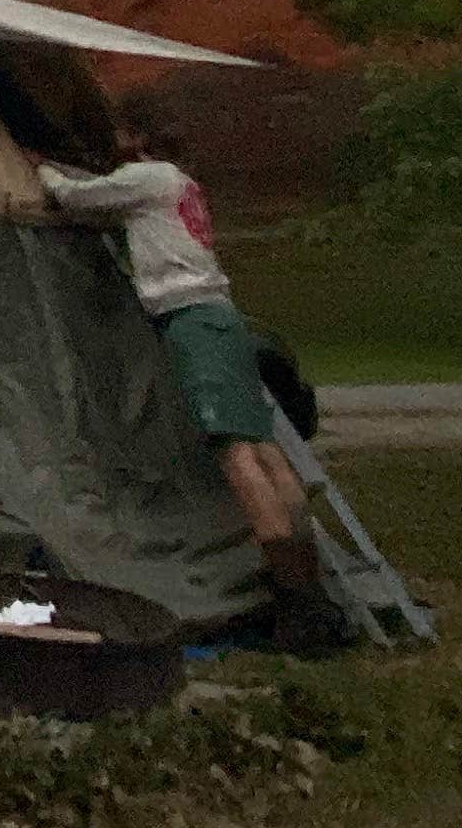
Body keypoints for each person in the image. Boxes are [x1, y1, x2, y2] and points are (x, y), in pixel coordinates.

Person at [37, 140, 354, 653]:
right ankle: (310, 588)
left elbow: (76, 197)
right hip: (220, 315)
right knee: (265, 450)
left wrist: (46, 171)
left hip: (191, 319)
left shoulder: (149, 178)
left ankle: (299, 603)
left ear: (144, 152)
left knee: (235, 455)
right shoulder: (179, 186)